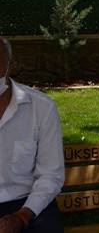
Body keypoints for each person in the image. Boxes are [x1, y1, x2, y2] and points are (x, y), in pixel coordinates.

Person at [0, 37, 65, 233]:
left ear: (10, 64)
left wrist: (22, 216)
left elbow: (50, 175)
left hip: (28, 204)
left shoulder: (42, 108)